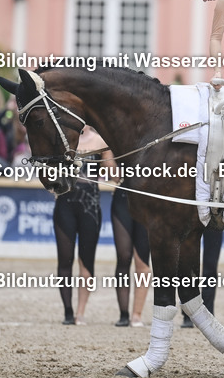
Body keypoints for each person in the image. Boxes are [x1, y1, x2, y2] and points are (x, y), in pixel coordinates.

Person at [53, 126, 109, 325]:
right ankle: (68, 311)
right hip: (65, 203)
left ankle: (80, 312)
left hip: (90, 205)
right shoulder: (64, 139)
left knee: (87, 262)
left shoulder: (101, 140)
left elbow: (111, 172)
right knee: (65, 259)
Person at [111, 187, 151, 327]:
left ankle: (137, 315)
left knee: (142, 260)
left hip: (146, 198)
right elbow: (111, 171)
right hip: (123, 196)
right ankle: (123, 314)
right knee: (123, 256)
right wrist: (109, 164)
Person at [182, 225, 223, 329]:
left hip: (215, 216)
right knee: (188, 266)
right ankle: (189, 313)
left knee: (210, 267)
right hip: (191, 215)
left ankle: (208, 314)